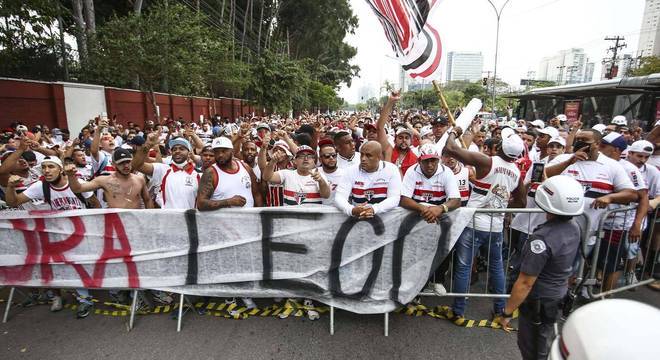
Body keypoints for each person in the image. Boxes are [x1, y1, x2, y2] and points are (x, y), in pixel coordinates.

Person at [441, 127, 526, 322]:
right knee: (496, 267)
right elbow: (522, 203)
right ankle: (500, 309)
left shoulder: (487, 161)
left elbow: (450, 148)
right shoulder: (516, 172)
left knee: (463, 267)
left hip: (473, 223)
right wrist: (502, 204)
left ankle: (459, 311)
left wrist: (454, 132)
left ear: (502, 146)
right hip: (495, 227)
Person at [498, 175, 585, 360]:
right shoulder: (575, 226)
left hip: (538, 301)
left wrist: (506, 312)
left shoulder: (542, 239)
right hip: (556, 295)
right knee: (544, 341)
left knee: (532, 347)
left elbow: (525, 283)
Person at [6, 155, 99, 318]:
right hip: (64, 234)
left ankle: (115, 291)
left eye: (51, 167)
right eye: (44, 167)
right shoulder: (41, 186)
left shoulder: (77, 183)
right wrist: (10, 187)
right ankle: (85, 299)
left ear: (61, 168)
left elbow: (95, 203)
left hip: (87, 230)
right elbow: (13, 202)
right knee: (73, 267)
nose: (47, 171)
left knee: (98, 262)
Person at [196, 136, 263, 314]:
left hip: (248, 227)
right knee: (227, 263)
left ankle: (246, 293)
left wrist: (259, 215)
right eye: (216, 151)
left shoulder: (245, 167)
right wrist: (229, 202)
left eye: (224, 151)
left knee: (246, 261)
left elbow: (256, 193)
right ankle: (229, 296)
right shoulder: (211, 172)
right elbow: (201, 204)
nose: (220, 155)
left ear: (232, 151)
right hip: (223, 230)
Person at [597, 133, 648, 292]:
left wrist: (637, 224)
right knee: (595, 261)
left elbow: (643, 197)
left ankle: (606, 298)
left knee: (611, 263)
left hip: (617, 224)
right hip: (596, 221)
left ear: (616, 150)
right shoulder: (597, 163)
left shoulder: (629, 169)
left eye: (604, 146)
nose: (599, 148)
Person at [66, 148, 153, 209]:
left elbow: (147, 200)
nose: (126, 166)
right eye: (121, 163)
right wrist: (71, 176)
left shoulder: (139, 179)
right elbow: (78, 189)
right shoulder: (104, 180)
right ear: (113, 164)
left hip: (136, 222)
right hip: (116, 224)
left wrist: (151, 219)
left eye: (128, 162)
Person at [334, 141, 402, 218]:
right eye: (362, 154)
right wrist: (351, 210)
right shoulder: (350, 171)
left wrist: (374, 209)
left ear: (379, 157)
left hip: (385, 220)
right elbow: (339, 197)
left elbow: (394, 198)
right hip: (357, 219)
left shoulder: (391, 169)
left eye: (368, 155)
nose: (363, 159)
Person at [132, 134, 199, 209]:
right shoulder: (163, 170)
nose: (177, 151)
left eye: (182, 149)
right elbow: (136, 165)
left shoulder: (198, 176)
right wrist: (147, 146)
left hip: (189, 220)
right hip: (167, 219)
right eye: (174, 149)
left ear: (189, 154)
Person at [317, 138, 344, 205]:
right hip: (319, 212)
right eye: (327, 156)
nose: (331, 158)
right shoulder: (315, 173)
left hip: (339, 213)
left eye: (334, 155)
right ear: (320, 159)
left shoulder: (345, 174)